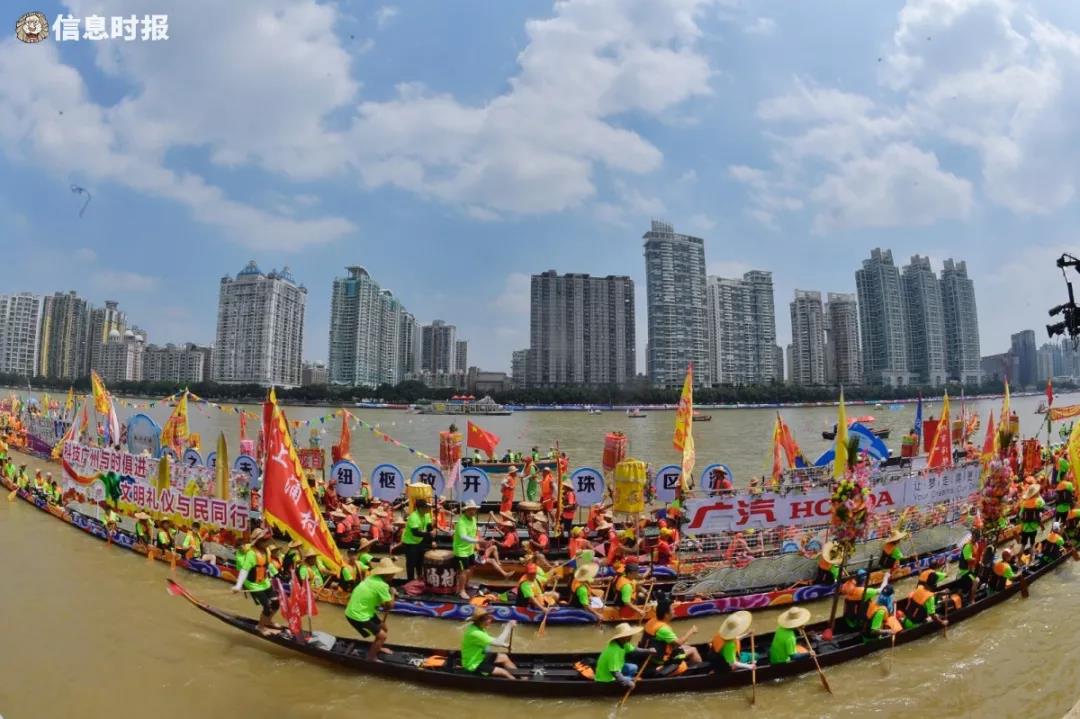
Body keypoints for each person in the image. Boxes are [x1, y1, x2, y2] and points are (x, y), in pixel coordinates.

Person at [344, 557, 402, 659]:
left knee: (384, 628)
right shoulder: (382, 585)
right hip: (357, 614)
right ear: (387, 574)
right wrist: (392, 593)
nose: (394, 575)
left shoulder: (371, 577)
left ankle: (378, 647)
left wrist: (388, 597)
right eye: (392, 573)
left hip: (362, 610)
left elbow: (381, 603)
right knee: (382, 636)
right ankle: (371, 659)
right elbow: (390, 606)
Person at [232, 529, 280, 633]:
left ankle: (268, 621)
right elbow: (244, 570)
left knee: (276, 603)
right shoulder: (251, 554)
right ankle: (260, 627)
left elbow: (268, 564)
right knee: (267, 606)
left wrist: (276, 574)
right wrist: (238, 585)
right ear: (258, 541)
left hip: (265, 582)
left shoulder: (267, 550)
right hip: (253, 584)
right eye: (265, 541)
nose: (268, 543)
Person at [461, 608, 519, 679]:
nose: (491, 620)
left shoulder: (478, 628)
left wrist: (504, 644)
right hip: (475, 665)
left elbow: (489, 640)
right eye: (488, 619)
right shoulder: (475, 633)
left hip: (481, 657)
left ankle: (522, 676)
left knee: (504, 657)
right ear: (481, 621)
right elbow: (498, 642)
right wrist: (508, 627)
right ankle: (517, 682)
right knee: (504, 672)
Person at [642, 598, 702, 666]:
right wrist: (691, 631)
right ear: (666, 614)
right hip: (663, 659)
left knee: (686, 646)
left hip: (650, 654)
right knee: (693, 650)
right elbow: (678, 643)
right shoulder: (663, 629)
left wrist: (675, 604)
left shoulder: (652, 621)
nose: (674, 611)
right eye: (672, 610)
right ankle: (699, 669)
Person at [453, 500, 483, 599]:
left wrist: (477, 542)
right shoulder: (461, 522)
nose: (472, 511)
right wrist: (477, 541)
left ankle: (466, 584)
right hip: (461, 551)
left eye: (473, 509)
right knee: (464, 571)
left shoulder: (473, 519)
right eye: (470, 510)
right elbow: (463, 537)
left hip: (470, 549)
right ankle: (461, 590)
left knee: (472, 567)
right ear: (465, 510)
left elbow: (475, 532)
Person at [401, 498, 434, 582]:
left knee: (420, 562)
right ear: (420, 508)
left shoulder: (426, 515)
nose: (427, 509)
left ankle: (419, 579)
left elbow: (429, 527)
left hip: (420, 541)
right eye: (425, 507)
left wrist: (433, 540)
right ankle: (410, 581)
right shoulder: (413, 517)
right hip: (410, 543)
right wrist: (429, 534)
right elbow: (415, 532)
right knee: (411, 563)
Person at [1017, 483, 1045, 552]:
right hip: (1033, 528)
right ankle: (1032, 558)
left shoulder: (1024, 503)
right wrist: (1039, 496)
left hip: (1025, 528)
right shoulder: (1038, 501)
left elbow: (1020, 515)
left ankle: (1019, 558)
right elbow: (1043, 504)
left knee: (1023, 545)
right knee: (1032, 545)